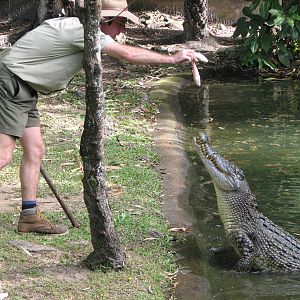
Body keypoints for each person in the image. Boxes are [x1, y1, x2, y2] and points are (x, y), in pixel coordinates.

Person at [0, 0, 203, 234]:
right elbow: (126, 54)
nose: (122, 31)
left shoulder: (74, 27)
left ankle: (29, 217)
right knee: (4, 155)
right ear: (103, 19)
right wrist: (172, 59)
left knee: (35, 151)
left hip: (25, 87)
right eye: (120, 23)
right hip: (11, 83)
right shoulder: (83, 32)